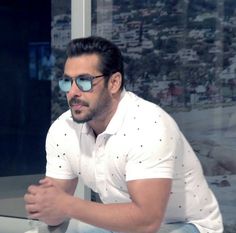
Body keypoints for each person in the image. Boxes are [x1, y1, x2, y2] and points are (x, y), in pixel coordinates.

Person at [24, 36, 223, 233]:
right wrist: (44, 204)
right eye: (67, 82)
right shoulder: (63, 130)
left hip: (183, 225)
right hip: (120, 226)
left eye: (84, 81)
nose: (73, 92)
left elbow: (147, 221)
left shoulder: (149, 127)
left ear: (114, 82)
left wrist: (68, 205)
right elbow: (56, 210)